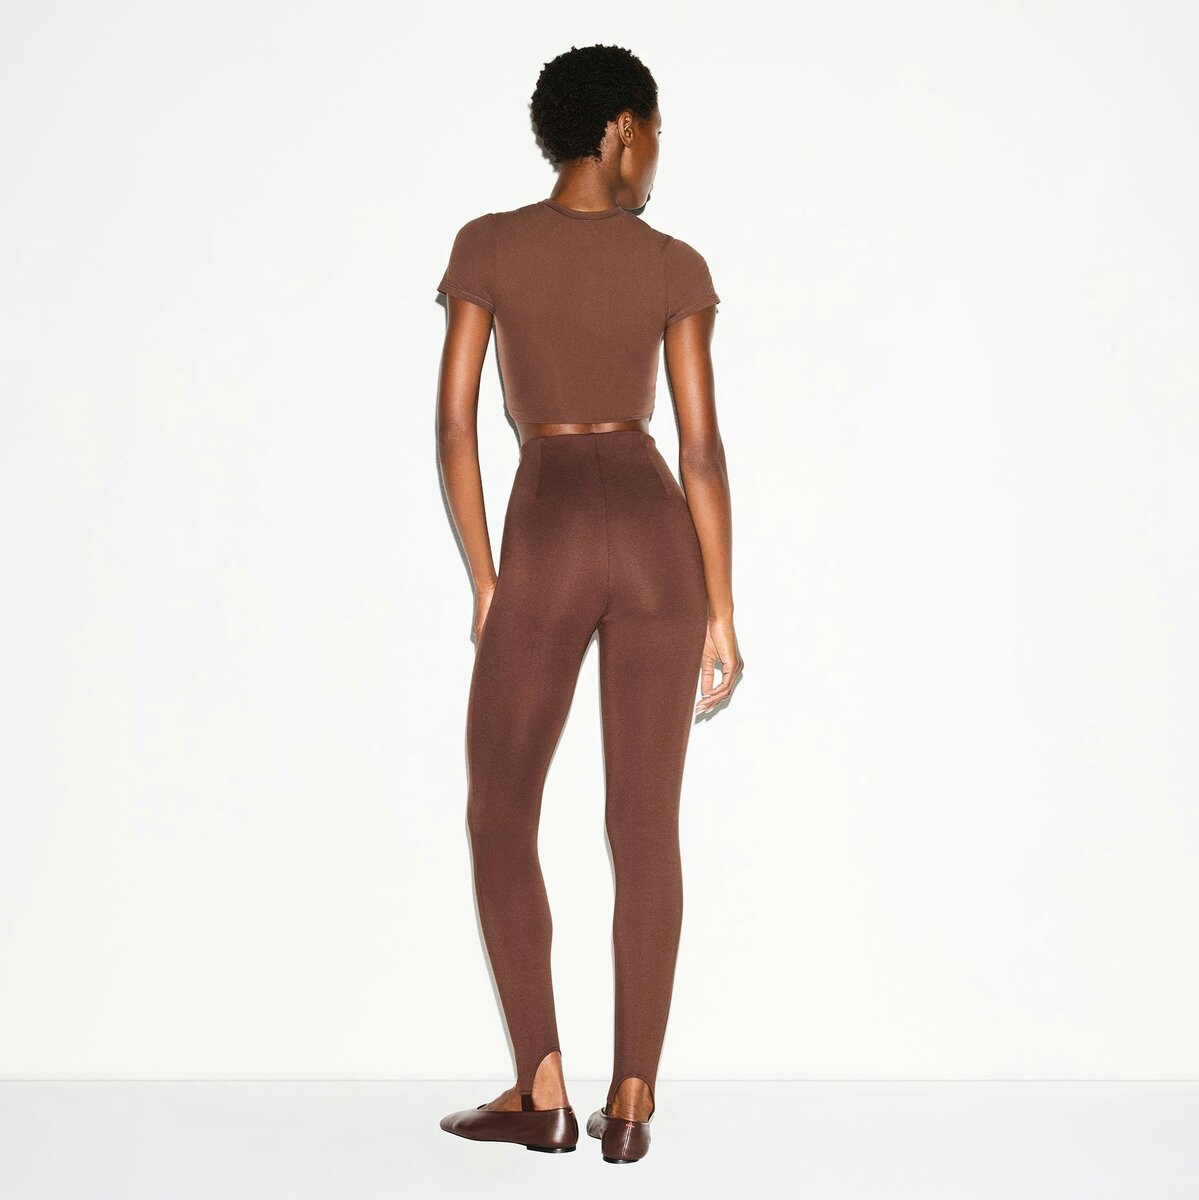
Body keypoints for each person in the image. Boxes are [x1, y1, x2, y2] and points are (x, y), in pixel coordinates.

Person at [434, 43, 744, 1164]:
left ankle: (542, 1088)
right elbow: (699, 448)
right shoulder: (672, 264)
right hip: (658, 536)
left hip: (553, 523)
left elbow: (454, 425)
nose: (656, 154)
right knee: (644, 823)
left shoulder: (488, 244)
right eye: (653, 131)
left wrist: (487, 577)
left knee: (499, 809)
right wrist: (720, 607)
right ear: (620, 130)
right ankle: (632, 1100)